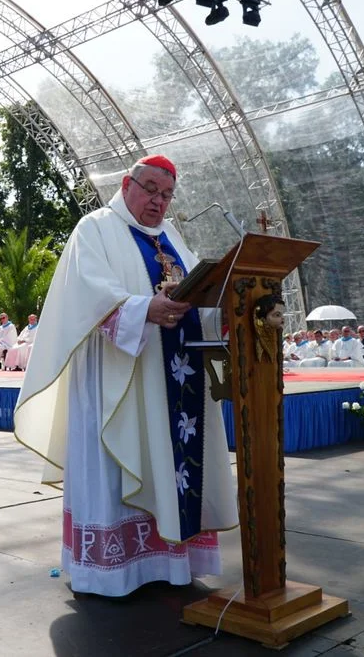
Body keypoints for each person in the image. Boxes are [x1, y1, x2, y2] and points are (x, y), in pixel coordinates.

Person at [14, 154, 237, 597]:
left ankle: (172, 561)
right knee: (124, 458)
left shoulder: (172, 237)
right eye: (151, 189)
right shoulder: (95, 228)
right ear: (126, 183)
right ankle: (112, 571)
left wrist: (222, 312)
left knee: (172, 461)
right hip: (115, 375)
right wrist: (143, 309)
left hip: (174, 375)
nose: (159, 201)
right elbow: (87, 296)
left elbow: (201, 292)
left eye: (168, 194)